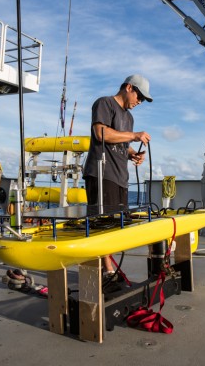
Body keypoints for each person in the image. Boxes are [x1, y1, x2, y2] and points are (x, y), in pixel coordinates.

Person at [83, 74, 153, 280]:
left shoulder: (129, 118)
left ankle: (107, 267)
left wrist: (134, 154)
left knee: (118, 226)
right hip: (102, 174)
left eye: (143, 100)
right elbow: (101, 133)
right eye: (139, 96)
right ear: (129, 87)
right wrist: (134, 135)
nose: (139, 102)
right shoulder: (104, 103)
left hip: (120, 177)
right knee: (103, 224)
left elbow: (121, 142)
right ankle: (107, 269)